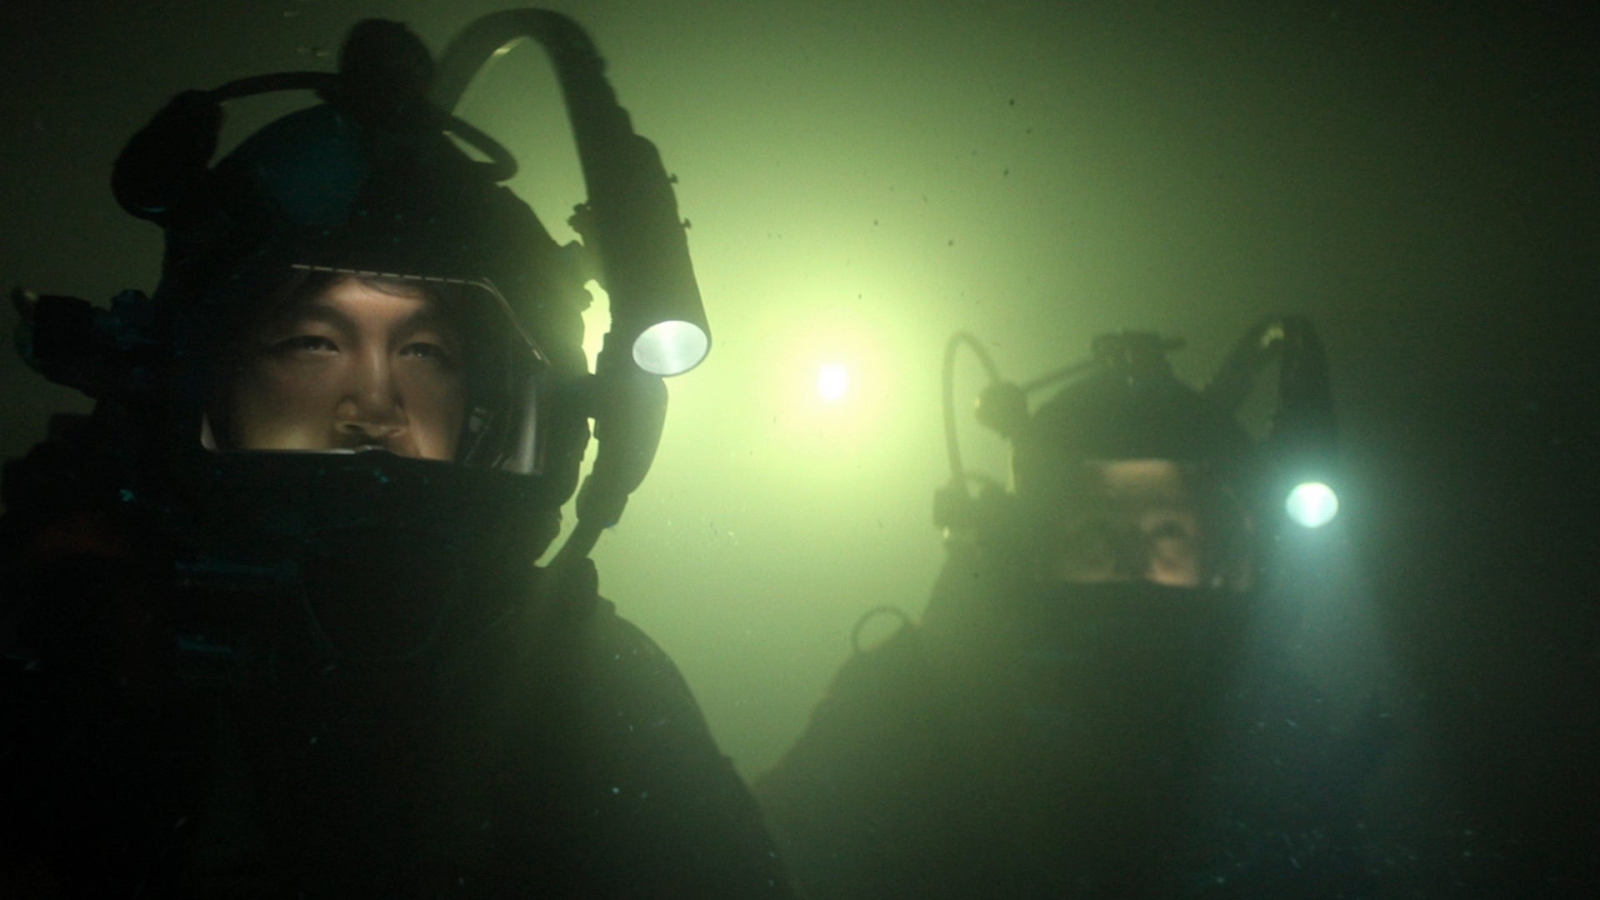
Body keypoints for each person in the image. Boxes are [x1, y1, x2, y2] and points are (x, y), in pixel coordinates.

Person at [0, 17, 791, 898]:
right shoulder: (74, 643)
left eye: (425, 353)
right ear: (192, 380)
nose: (374, 406)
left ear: (502, 405)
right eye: (312, 343)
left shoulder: (587, 689)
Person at [754, 328, 1389, 899]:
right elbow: (763, 853)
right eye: (1097, 532)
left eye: (1168, 533)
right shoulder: (911, 697)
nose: (1133, 564)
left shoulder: (1279, 726)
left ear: (1226, 554)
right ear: (1026, 547)